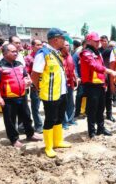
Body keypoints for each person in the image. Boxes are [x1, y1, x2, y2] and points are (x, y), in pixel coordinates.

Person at [31, 28, 71, 158]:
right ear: (55, 39)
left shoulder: (56, 53)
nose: (64, 41)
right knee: (50, 119)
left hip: (61, 92)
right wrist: (37, 88)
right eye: (63, 38)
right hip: (49, 93)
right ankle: (48, 147)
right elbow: (35, 74)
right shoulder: (43, 54)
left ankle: (57, 141)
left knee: (59, 118)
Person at [0, 44, 41, 147]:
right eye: (13, 51)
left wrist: (28, 80)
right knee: (10, 120)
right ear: (5, 53)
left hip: (22, 95)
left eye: (16, 51)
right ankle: (14, 139)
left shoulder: (19, 64)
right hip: (8, 98)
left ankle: (30, 134)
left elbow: (25, 76)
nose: (16, 53)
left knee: (26, 116)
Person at [80, 32, 116, 138]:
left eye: (99, 41)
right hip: (91, 85)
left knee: (101, 108)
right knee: (92, 109)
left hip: (100, 84)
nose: (98, 43)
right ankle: (91, 131)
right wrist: (110, 71)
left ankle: (101, 129)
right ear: (89, 41)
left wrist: (105, 82)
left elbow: (100, 67)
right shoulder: (86, 53)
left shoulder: (97, 52)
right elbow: (94, 66)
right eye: (95, 41)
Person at [24, 39, 43, 133]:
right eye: (38, 45)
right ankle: (39, 126)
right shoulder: (28, 58)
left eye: (41, 45)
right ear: (32, 46)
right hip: (35, 87)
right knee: (35, 107)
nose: (40, 46)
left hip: (45, 85)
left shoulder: (44, 57)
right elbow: (27, 73)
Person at [99, 36, 116, 122]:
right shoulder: (101, 51)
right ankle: (101, 115)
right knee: (102, 97)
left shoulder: (110, 51)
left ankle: (109, 115)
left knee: (109, 97)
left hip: (109, 76)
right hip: (102, 77)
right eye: (102, 41)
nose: (103, 42)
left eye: (105, 41)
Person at [61, 40, 77, 129]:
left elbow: (73, 68)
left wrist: (75, 77)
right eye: (66, 45)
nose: (68, 47)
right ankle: (64, 122)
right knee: (63, 103)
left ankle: (71, 119)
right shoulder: (58, 56)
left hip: (70, 83)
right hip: (62, 84)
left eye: (68, 45)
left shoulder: (69, 56)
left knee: (71, 102)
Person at [73, 40, 87, 119]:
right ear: (83, 45)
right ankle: (77, 112)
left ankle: (85, 112)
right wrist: (77, 77)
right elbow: (74, 66)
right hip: (81, 79)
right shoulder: (77, 54)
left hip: (90, 79)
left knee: (88, 96)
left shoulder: (92, 53)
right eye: (86, 45)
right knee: (79, 95)